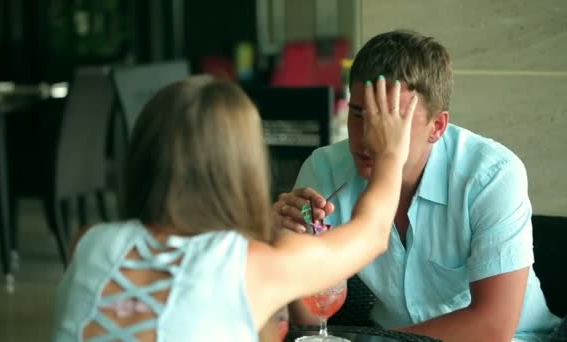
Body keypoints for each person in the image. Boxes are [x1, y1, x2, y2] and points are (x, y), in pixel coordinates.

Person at [52, 74, 417, 341]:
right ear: (244, 167)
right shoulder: (251, 267)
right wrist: (389, 154)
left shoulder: (87, 242)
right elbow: (371, 235)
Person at [275, 30, 562, 341]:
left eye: (391, 122)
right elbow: (311, 322)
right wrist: (291, 243)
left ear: (437, 127)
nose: (369, 137)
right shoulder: (326, 169)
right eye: (358, 115)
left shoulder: (492, 175)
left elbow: (493, 327)